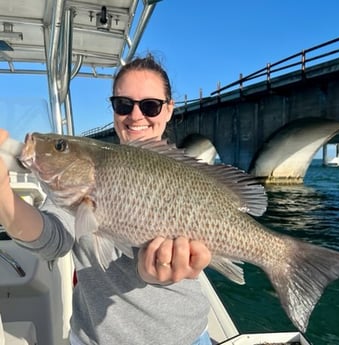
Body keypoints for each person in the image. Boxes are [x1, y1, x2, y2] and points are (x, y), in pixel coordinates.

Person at [0, 54, 213, 345]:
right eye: (123, 104)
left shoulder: (185, 175)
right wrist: (2, 191)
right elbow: (52, 239)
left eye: (150, 106)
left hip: (188, 335)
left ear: (168, 110)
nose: (136, 116)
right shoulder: (80, 182)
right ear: (113, 109)